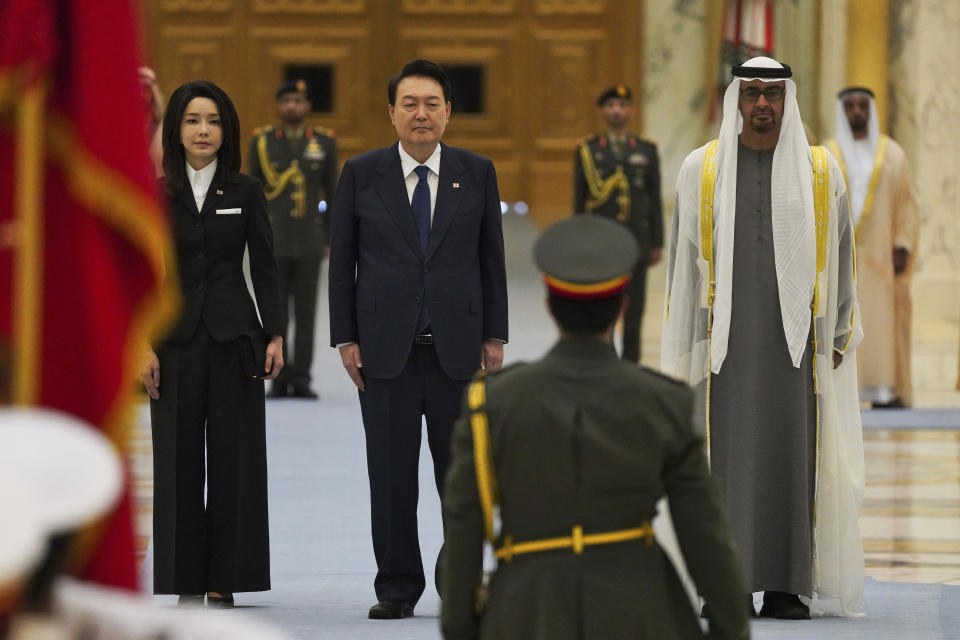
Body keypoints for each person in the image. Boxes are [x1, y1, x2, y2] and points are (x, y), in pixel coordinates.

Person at [441, 216, 751, 640]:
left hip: (526, 613)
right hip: (641, 610)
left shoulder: (493, 402)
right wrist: (730, 628)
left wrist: (461, 626)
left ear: (550, 305)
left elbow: (463, 527)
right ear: (623, 306)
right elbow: (705, 534)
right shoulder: (664, 403)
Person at [662, 57, 865, 618]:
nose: (761, 105)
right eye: (750, 93)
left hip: (793, 348)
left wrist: (842, 326)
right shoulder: (701, 170)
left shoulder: (821, 172)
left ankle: (785, 583)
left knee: (791, 456)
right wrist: (683, 337)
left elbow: (844, 256)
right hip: (722, 349)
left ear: (787, 98)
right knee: (721, 458)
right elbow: (682, 260)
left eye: (771, 94)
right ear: (736, 99)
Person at [328, 59, 508, 619]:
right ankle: (397, 587)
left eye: (432, 104)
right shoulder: (362, 173)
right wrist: (344, 337)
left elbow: (491, 261)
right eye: (410, 104)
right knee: (390, 478)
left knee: (460, 480)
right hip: (384, 353)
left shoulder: (476, 172)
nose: (421, 114)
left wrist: (495, 334)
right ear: (391, 112)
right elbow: (343, 265)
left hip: (458, 351)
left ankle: (460, 583)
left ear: (448, 112)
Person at [142, 80, 284, 608]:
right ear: (176, 130)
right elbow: (137, 274)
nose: (204, 131)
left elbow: (266, 269)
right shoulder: (153, 192)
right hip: (172, 342)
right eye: (193, 120)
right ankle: (185, 578)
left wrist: (276, 333)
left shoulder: (246, 191)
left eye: (214, 121)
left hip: (235, 340)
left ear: (228, 131)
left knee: (236, 460)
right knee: (177, 461)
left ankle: (228, 575)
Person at [823, 87, 918, 408]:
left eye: (863, 106)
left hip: (881, 257)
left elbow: (907, 204)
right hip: (840, 256)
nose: (857, 112)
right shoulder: (827, 153)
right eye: (850, 106)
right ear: (842, 111)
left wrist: (902, 243)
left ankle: (883, 390)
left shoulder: (892, 154)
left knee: (880, 321)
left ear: (871, 110)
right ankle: (845, 387)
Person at [248, 79, 338, 400]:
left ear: (307, 105)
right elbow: (253, 195)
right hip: (273, 239)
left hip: (310, 240)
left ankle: (301, 378)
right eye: (286, 100)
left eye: (298, 100)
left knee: (306, 312)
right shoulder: (262, 141)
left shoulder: (324, 142)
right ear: (278, 105)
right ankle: (277, 376)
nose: (292, 106)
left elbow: (333, 192)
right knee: (275, 313)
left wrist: (330, 237)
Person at [573, 85, 663, 363]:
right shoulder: (587, 150)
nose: (617, 111)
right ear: (602, 111)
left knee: (635, 309)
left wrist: (657, 241)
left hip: (637, 242)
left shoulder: (646, 149)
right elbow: (580, 198)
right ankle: (605, 361)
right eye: (611, 105)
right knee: (605, 307)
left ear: (631, 110)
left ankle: (631, 365)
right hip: (603, 244)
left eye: (622, 105)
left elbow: (654, 199)